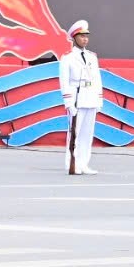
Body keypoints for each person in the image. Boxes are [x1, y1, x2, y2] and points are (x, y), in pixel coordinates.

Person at [59, 21, 105, 175]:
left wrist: (99, 99)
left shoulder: (92, 56)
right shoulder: (68, 57)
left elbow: (97, 78)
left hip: (90, 96)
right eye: (82, 36)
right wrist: (68, 102)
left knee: (87, 133)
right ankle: (71, 163)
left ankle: (84, 163)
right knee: (74, 133)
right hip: (76, 97)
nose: (85, 39)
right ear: (74, 38)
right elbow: (64, 81)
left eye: (86, 36)